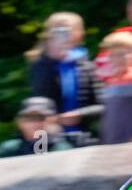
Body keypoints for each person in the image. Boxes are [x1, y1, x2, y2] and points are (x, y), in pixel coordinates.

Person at [27, 12, 104, 142]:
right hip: (48, 137)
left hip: (85, 135)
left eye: (67, 29)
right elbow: (39, 101)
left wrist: (80, 114)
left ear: (79, 34)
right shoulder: (40, 65)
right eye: (56, 29)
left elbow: (102, 105)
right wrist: (52, 58)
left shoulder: (88, 67)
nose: (62, 34)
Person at [0, 97, 73, 159]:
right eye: (29, 118)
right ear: (20, 122)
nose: (35, 123)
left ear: (53, 120)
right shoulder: (8, 149)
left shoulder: (62, 150)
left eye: (41, 118)